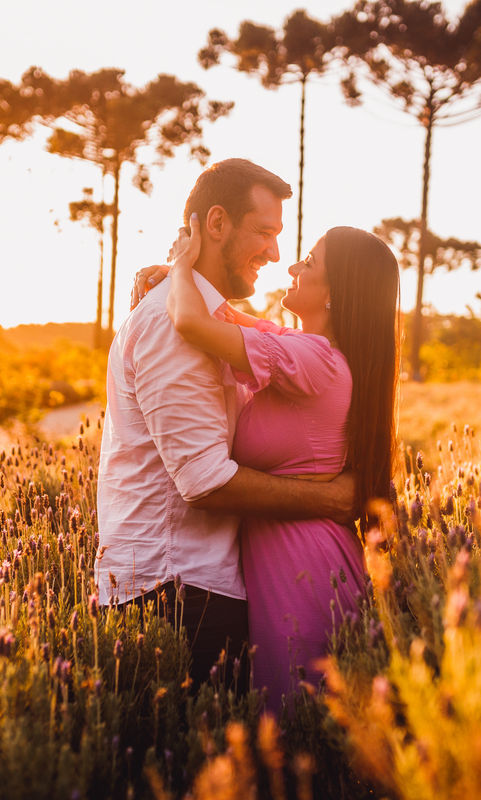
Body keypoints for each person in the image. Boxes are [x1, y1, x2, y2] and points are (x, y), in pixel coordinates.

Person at [94, 158, 356, 694]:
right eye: (264, 232)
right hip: (174, 590)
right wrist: (331, 500)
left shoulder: (203, 319)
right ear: (216, 224)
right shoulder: (175, 325)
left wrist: (177, 273)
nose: (276, 253)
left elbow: (265, 340)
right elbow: (204, 481)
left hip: (195, 586)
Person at [147, 217, 401, 711]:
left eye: (308, 262)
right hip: (301, 555)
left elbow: (193, 324)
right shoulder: (309, 352)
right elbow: (225, 316)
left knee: (301, 726)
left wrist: (181, 263)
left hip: (301, 566)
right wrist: (170, 275)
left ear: (335, 290)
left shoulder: (314, 359)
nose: (292, 265)